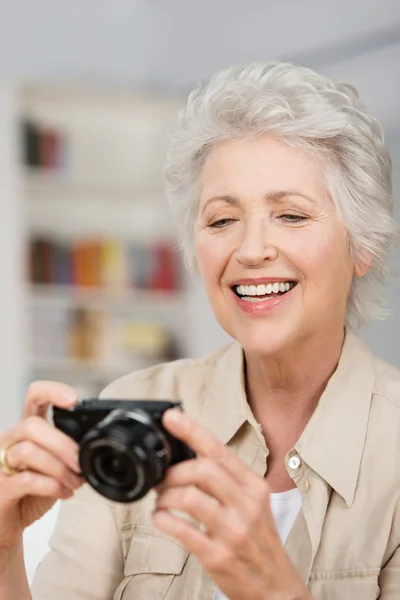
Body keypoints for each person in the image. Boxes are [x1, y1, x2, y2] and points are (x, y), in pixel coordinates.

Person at [0, 60, 399, 600]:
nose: (251, 250)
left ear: (364, 245)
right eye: (221, 220)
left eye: (292, 216)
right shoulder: (132, 407)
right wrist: (2, 547)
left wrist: (274, 591)